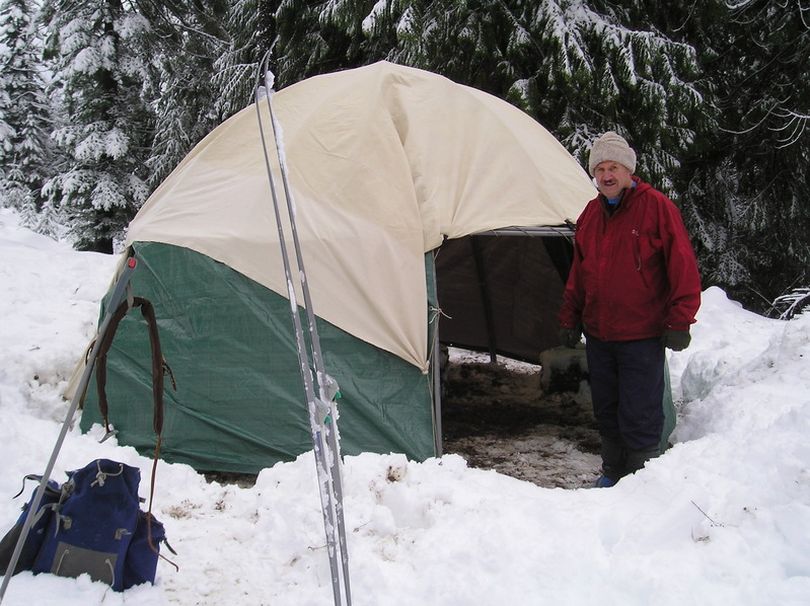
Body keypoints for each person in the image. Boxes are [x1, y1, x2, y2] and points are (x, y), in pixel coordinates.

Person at [557, 131, 701, 487]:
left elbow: (682, 266)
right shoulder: (591, 214)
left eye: (614, 168)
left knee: (639, 410)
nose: (606, 175)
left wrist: (680, 319)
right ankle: (612, 473)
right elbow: (580, 272)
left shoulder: (657, 208)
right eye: (600, 168)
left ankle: (640, 481)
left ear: (629, 170)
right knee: (607, 408)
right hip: (600, 333)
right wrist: (569, 316)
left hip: (641, 334)